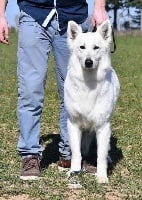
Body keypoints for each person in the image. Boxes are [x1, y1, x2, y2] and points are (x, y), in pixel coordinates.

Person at [0, 0, 109, 180]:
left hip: (74, 17)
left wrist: (99, 7)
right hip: (33, 14)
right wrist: (1, 14)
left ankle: (71, 153)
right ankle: (29, 154)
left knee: (78, 93)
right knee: (30, 90)